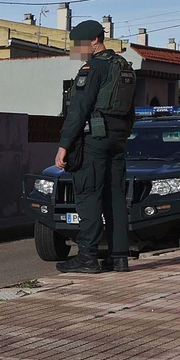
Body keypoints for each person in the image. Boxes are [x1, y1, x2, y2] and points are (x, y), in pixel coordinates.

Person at [55, 20, 137, 273]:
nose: (75, 50)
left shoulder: (93, 68)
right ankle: (119, 256)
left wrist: (63, 146)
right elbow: (130, 111)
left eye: (78, 44)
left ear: (94, 41)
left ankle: (87, 256)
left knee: (88, 194)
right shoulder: (124, 68)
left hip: (94, 140)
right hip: (118, 139)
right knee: (114, 197)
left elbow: (78, 111)